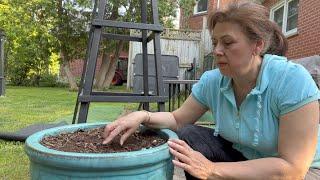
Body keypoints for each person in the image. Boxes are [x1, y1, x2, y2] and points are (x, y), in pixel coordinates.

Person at [103, 1, 320, 179]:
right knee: (188, 135)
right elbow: (178, 120)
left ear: (257, 45)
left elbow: (293, 169)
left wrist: (211, 169)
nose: (217, 51)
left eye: (228, 43)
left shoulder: (291, 81)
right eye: (215, 42)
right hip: (243, 158)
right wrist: (143, 115)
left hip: (300, 172)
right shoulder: (213, 81)